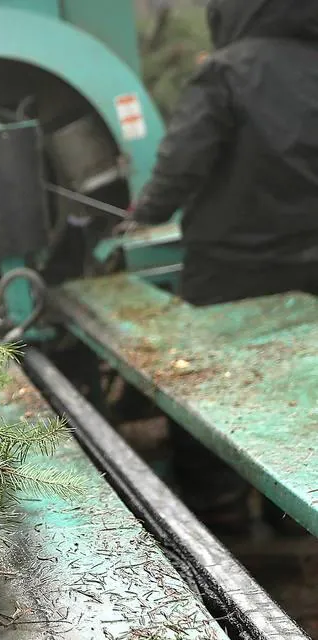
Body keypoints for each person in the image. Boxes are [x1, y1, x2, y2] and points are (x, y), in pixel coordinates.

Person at [121, 0, 318, 535]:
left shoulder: (227, 72)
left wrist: (145, 213)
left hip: (230, 271)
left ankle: (220, 511)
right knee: (300, 388)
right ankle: (292, 520)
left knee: (210, 385)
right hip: (308, 270)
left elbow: (183, 161)